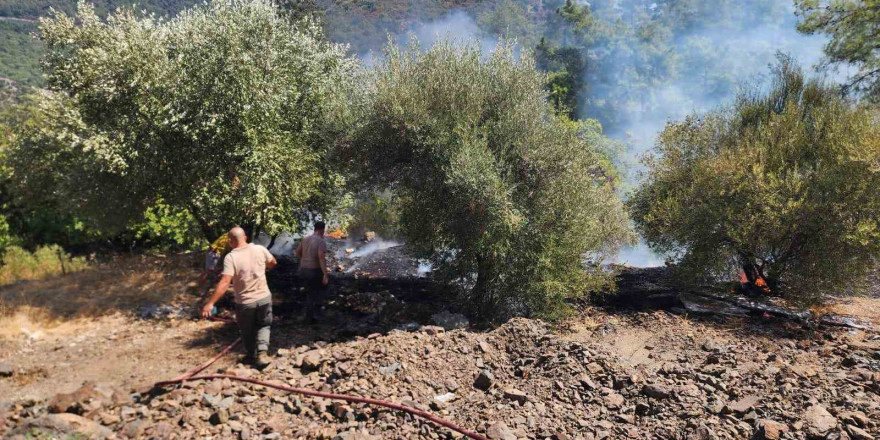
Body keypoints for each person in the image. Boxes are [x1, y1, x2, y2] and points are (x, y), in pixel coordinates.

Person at [201, 227, 277, 368]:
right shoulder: (260, 249)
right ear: (246, 237)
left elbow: (225, 282)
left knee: (246, 330)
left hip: (245, 302)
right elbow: (273, 263)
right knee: (264, 325)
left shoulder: (231, 257)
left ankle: (251, 355)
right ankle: (262, 353)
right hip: (264, 297)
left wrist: (210, 303)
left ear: (230, 241)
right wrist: (262, 269)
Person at [295, 221, 329, 320]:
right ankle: (312, 316)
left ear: (314, 229)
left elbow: (297, 252)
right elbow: (321, 257)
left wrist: (303, 259)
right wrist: (325, 274)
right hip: (314, 270)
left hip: (303, 269)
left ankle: (308, 314)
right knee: (315, 292)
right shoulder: (320, 241)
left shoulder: (305, 239)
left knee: (309, 291)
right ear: (322, 229)